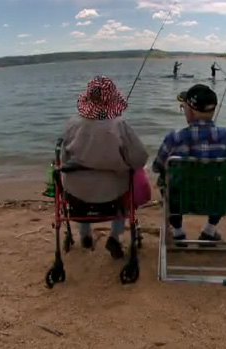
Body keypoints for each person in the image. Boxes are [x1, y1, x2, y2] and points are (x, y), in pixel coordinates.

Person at [152, 84, 226, 243]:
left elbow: (157, 167)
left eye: (183, 107)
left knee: (166, 182)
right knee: (224, 184)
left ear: (190, 110)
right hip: (219, 201)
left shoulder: (174, 138)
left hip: (181, 200)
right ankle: (210, 229)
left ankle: (177, 232)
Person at [60, 75, 149, 259]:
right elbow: (139, 158)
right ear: (113, 98)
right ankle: (114, 237)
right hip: (113, 194)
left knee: (81, 199)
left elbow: (63, 158)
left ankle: (84, 235)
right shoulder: (120, 124)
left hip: (77, 193)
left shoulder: (72, 124)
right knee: (125, 194)